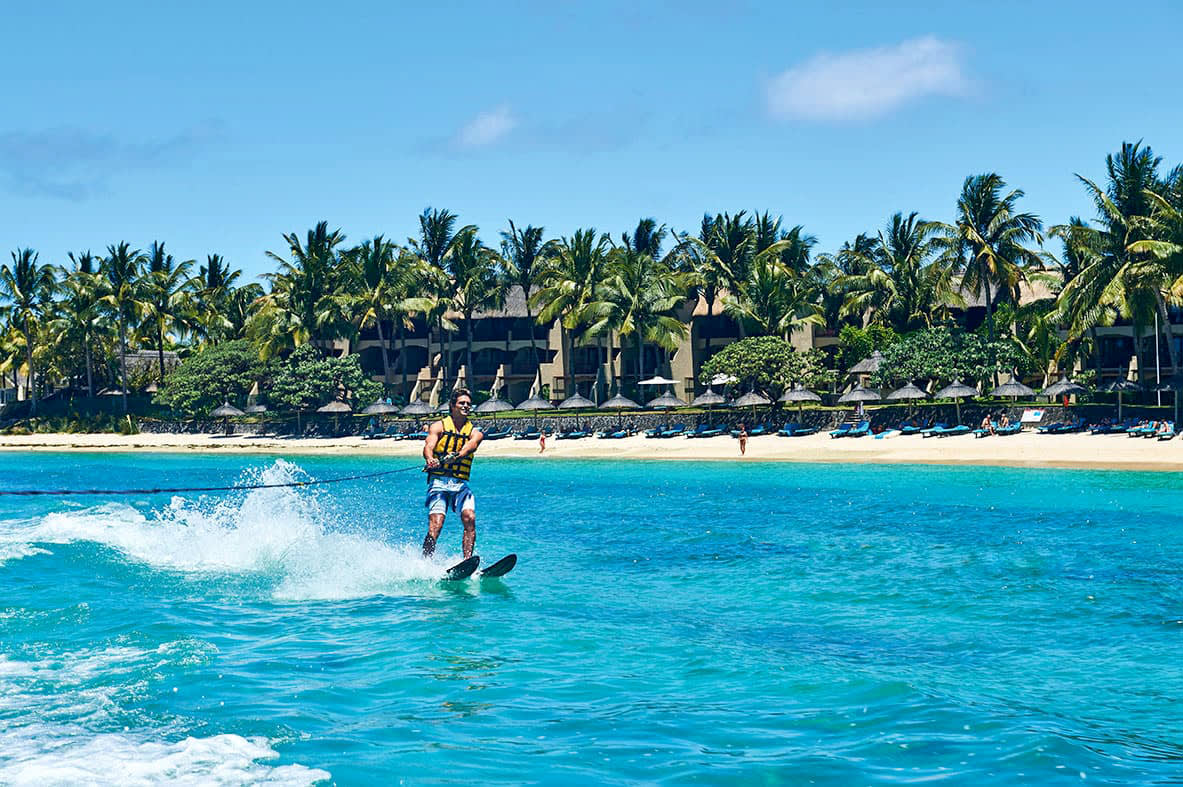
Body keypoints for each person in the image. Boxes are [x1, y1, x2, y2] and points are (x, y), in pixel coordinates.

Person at [422, 388, 485, 559]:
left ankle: (467, 561)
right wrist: (430, 459)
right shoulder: (438, 426)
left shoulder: (475, 432)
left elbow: (470, 446)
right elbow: (428, 446)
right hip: (439, 484)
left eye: (468, 404)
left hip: (459, 485)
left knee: (469, 518)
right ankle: (425, 561)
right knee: (437, 524)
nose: (466, 406)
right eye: (462, 403)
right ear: (452, 405)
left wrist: (456, 456)